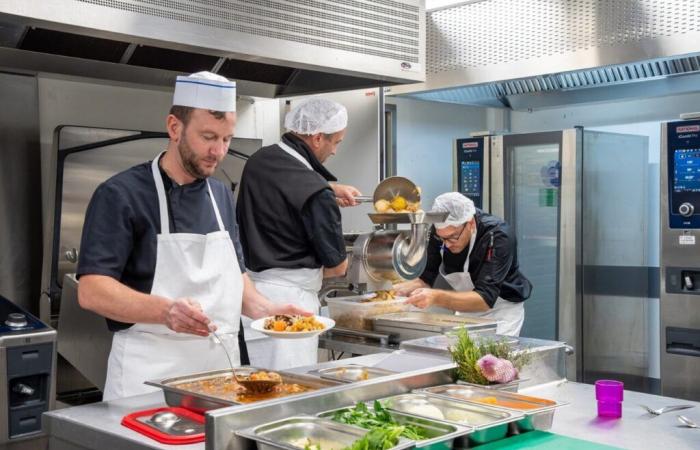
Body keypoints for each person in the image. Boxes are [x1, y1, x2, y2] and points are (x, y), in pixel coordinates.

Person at [76, 72, 309, 400]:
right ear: (174, 127)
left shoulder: (221, 195)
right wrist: (165, 311)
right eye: (208, 137)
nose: (219, 151)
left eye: (227, 139)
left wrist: (267, 310)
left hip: (217, 379)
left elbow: (234, 277)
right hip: (147, 384)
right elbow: (92, 292)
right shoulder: (120, 194)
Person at [237, 98, 361, 369]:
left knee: (254, 386)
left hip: (251, 298)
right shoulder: (317, 194)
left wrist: (329, 188)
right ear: (317, 138)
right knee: (288, 389)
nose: (336, 151)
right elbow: (338, 266)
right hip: (293, 306)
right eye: (336, 142)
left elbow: (286, 184)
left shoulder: (259, 160)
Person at [394, 192, 532, 336]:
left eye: (453, 237)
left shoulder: (498, 236)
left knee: (491, 358)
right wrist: (396, 291)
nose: (446, 245)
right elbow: (425, 277)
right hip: (466, 309)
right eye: (442, 239)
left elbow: (484, 299)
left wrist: (435, 297)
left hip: (501, 313)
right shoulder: (440, 231)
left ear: (470, 223)